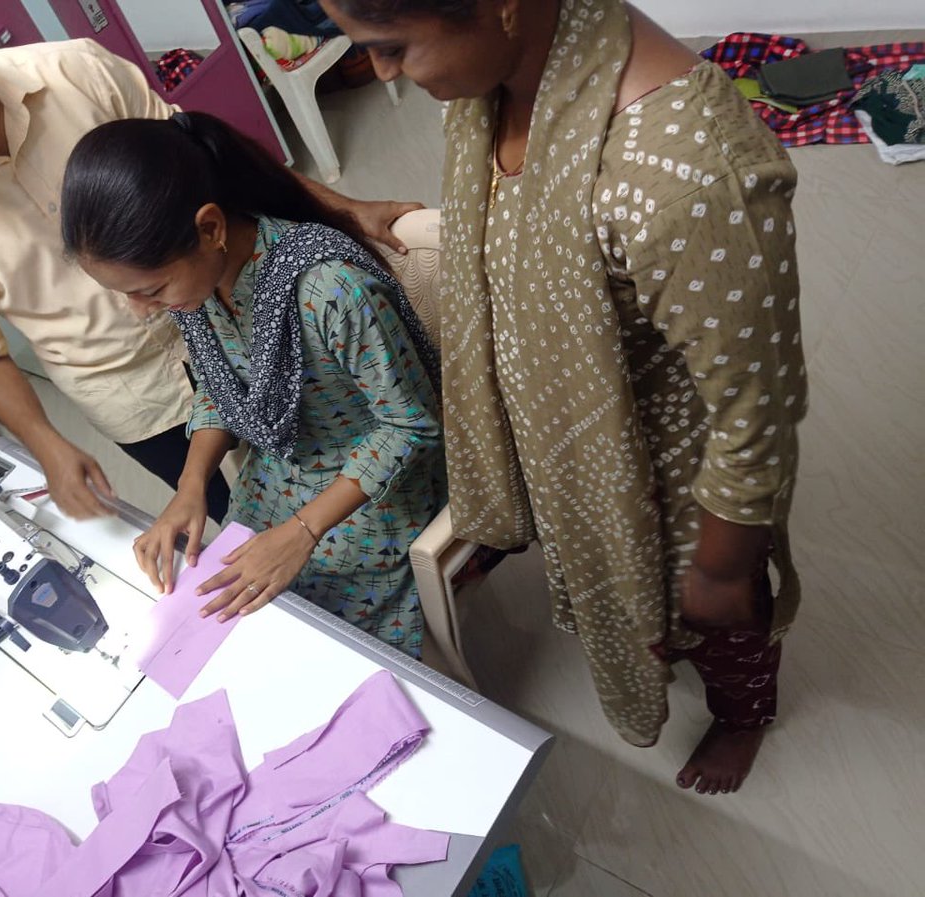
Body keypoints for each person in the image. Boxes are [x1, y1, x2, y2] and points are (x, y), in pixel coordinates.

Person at [321, 0, 808, 795]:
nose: (379, 74)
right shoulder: (501, 81)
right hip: (590, 452)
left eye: (391, 48)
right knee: (649, 606)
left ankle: (745, 712)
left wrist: (723, 565)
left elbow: (756, 407)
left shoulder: (681, 169)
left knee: (725, 625)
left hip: (685, 482)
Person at [0, 0, 421, 522]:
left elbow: (207, 161)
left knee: (332, 454)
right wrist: (49, 447)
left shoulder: (75, 73)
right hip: (126, 390)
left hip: (233, 315)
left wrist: (341, 209)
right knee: (227, 519)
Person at [61, 111, 446, 657]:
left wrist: (302, 533)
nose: (140, 311)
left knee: (305, 637)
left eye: (149, 289)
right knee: (228, 606)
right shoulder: (200, 285)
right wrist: (190, 486)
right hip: (289, 466)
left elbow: (411, 426)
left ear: (210, 228)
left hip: (381, 480)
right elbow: (222, 385)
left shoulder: (329, 289)